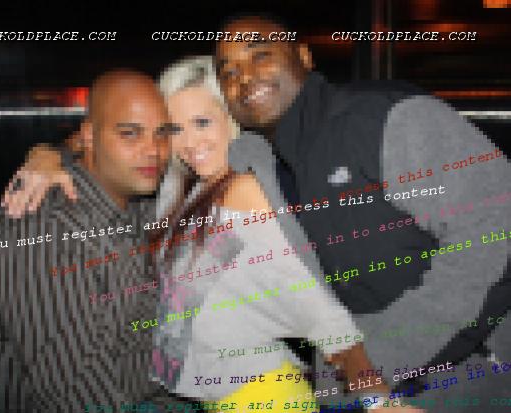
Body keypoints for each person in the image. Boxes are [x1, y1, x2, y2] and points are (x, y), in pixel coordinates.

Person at [216, 13, 511, 411]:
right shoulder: (260, 169)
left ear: (304, 57)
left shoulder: (383, 119)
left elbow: (494, 230)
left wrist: (381, 359)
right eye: (228, 72)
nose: (244, 77)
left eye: (260, 55)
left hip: (468, 378)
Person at [148, 56, 422, 413]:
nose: (189, 142)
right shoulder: (196, 190)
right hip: (223, 397)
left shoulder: (246, 191)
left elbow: (313, 299)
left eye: (202, 122)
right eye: (175, 128)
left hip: (264, 397)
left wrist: (377, 400)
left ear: (231, 117)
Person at [0, 69, 189, 412]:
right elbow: (80, 395)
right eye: (130, 133)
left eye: (162, 133)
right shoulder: (43, 233)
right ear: (88, 137)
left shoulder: (138, 207)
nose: (153, 150)